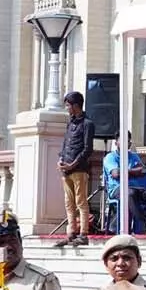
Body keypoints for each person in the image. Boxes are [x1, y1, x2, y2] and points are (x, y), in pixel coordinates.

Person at [53, 91, 95, 248]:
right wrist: (61, 159)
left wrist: (73, 164)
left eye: (68, 105)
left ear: (76, 106)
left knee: (80, 201)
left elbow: (87, 149)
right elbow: (65, 144)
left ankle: (83, 234)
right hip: (66, 169)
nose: (67, 108)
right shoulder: (70, 123)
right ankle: (71, 233)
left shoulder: (87, 124)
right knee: (68, 203)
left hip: (79, 169)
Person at [102, 134, 146, 233]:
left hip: (136, 188)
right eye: (124, 140)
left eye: (129, 141)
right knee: (129, 194)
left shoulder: (134, 156)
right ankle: (143, 226)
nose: (127, 143)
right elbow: (115, 174)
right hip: (117, 188)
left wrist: (125, 171)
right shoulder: (110, 157)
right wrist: (133, 171)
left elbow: (142, 171)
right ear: (116, 143)